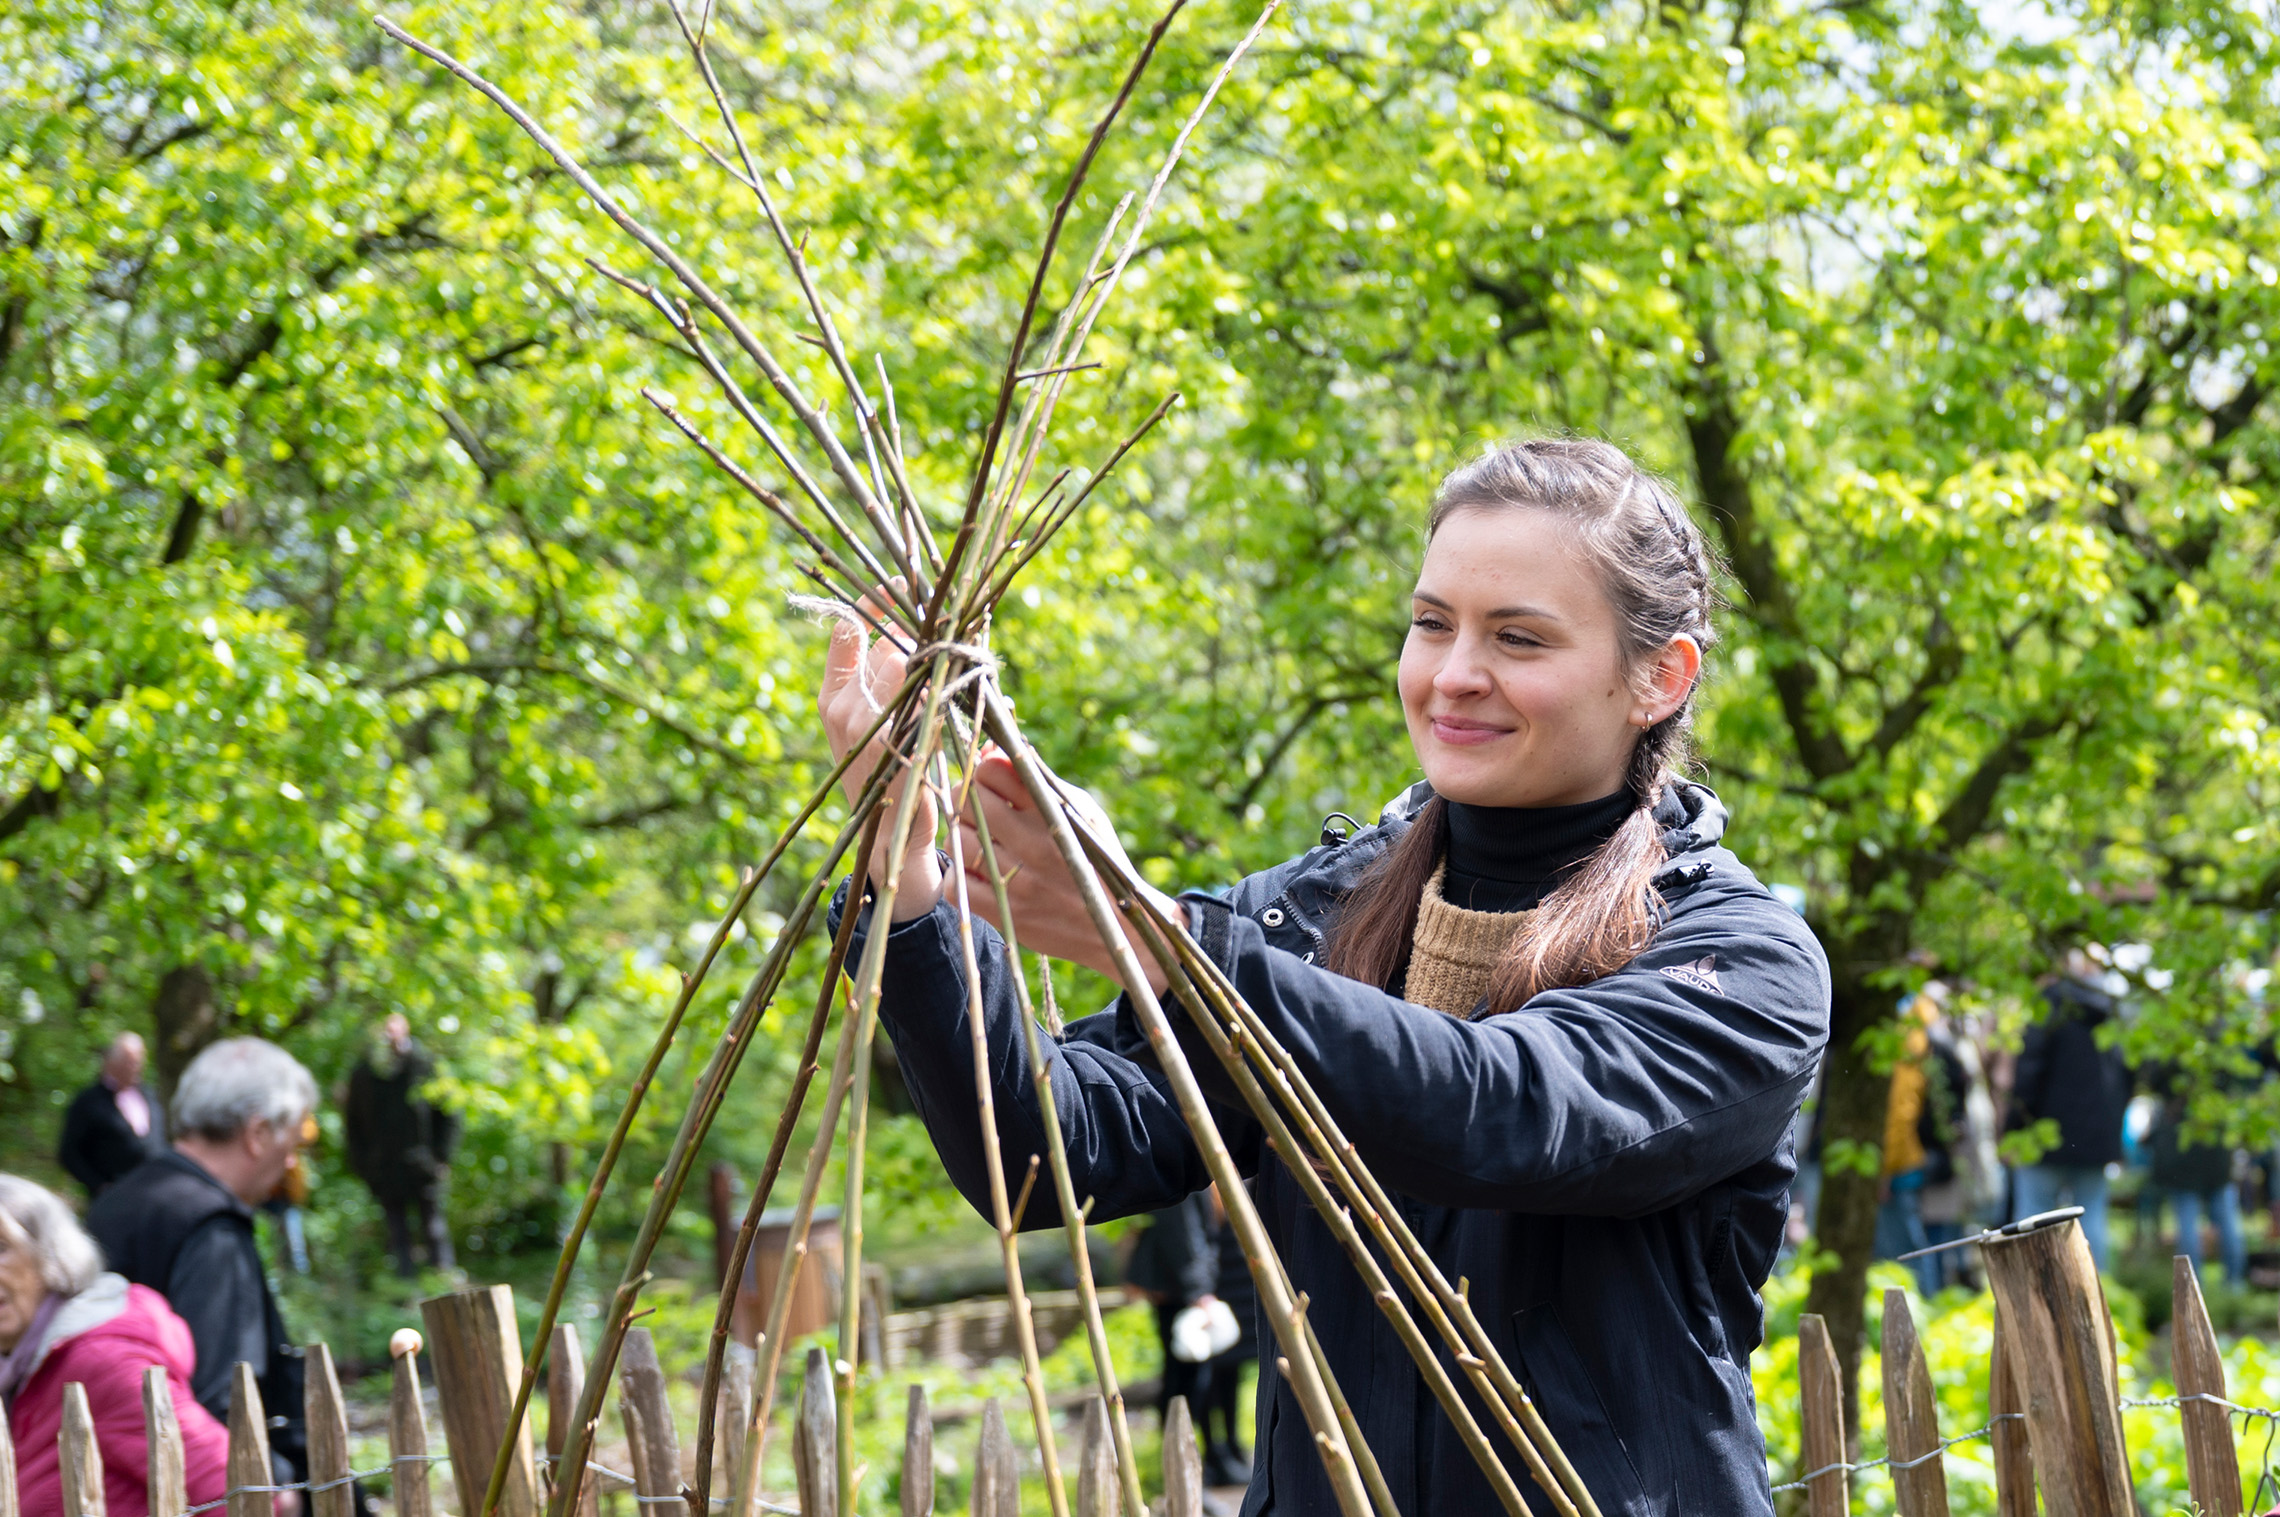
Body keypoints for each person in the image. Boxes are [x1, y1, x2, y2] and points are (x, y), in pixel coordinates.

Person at [819, 438, 1832, 1514]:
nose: (1453, 674)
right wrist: (916, 889)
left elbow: (1507, 1110)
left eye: (1518, 637)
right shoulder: (1307, 915)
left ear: (1658, 676)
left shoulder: (1740, 956)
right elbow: (1046, 1155)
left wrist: (1167, 946)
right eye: (1432, 621)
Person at [88, 1037, 317, 1487]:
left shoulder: (117, 1201)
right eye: (291, 1143)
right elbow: (226, 1395)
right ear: (257, 1134)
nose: (290, 1160)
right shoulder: (213, 1227)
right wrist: (282, 1492)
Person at [0, 1173, 232, 1517]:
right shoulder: (17, 1365)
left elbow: (231, 1489)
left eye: (1, 1248)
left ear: (49, 1254)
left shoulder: (100, 1361)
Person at [2006, 949, 2133, 1270]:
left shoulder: (2047, 1005)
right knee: (2092, 1220)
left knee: (2032, 1222)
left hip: (2043, 1137)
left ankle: (2034, 1295)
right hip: (2094, 1139)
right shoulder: (2109, 1012)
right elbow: (2127, 1076)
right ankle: (2096, 1298)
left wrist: (2014, 1129)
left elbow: (2028, 1074)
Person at [343, 1013, 458, 1277]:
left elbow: (450, 1113)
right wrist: (363, 1165)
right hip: (384, 1167)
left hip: (424, 1164)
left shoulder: (426, 1065)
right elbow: (353, 1125)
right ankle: (404, 1292)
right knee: (397, 1233)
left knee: (434, 1227)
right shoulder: (364, 1074)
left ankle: (443, 1279)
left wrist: (442, 1158)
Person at [58, 1032, 169, 1198]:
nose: (136, 1066)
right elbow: (69, 1153)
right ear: (111, 1062)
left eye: (139, 1060)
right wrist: (98, 1185)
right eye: (129, 1061)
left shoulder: (149, 1095)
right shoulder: (89, 1102)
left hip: (156, 1193)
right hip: (113, 1199)